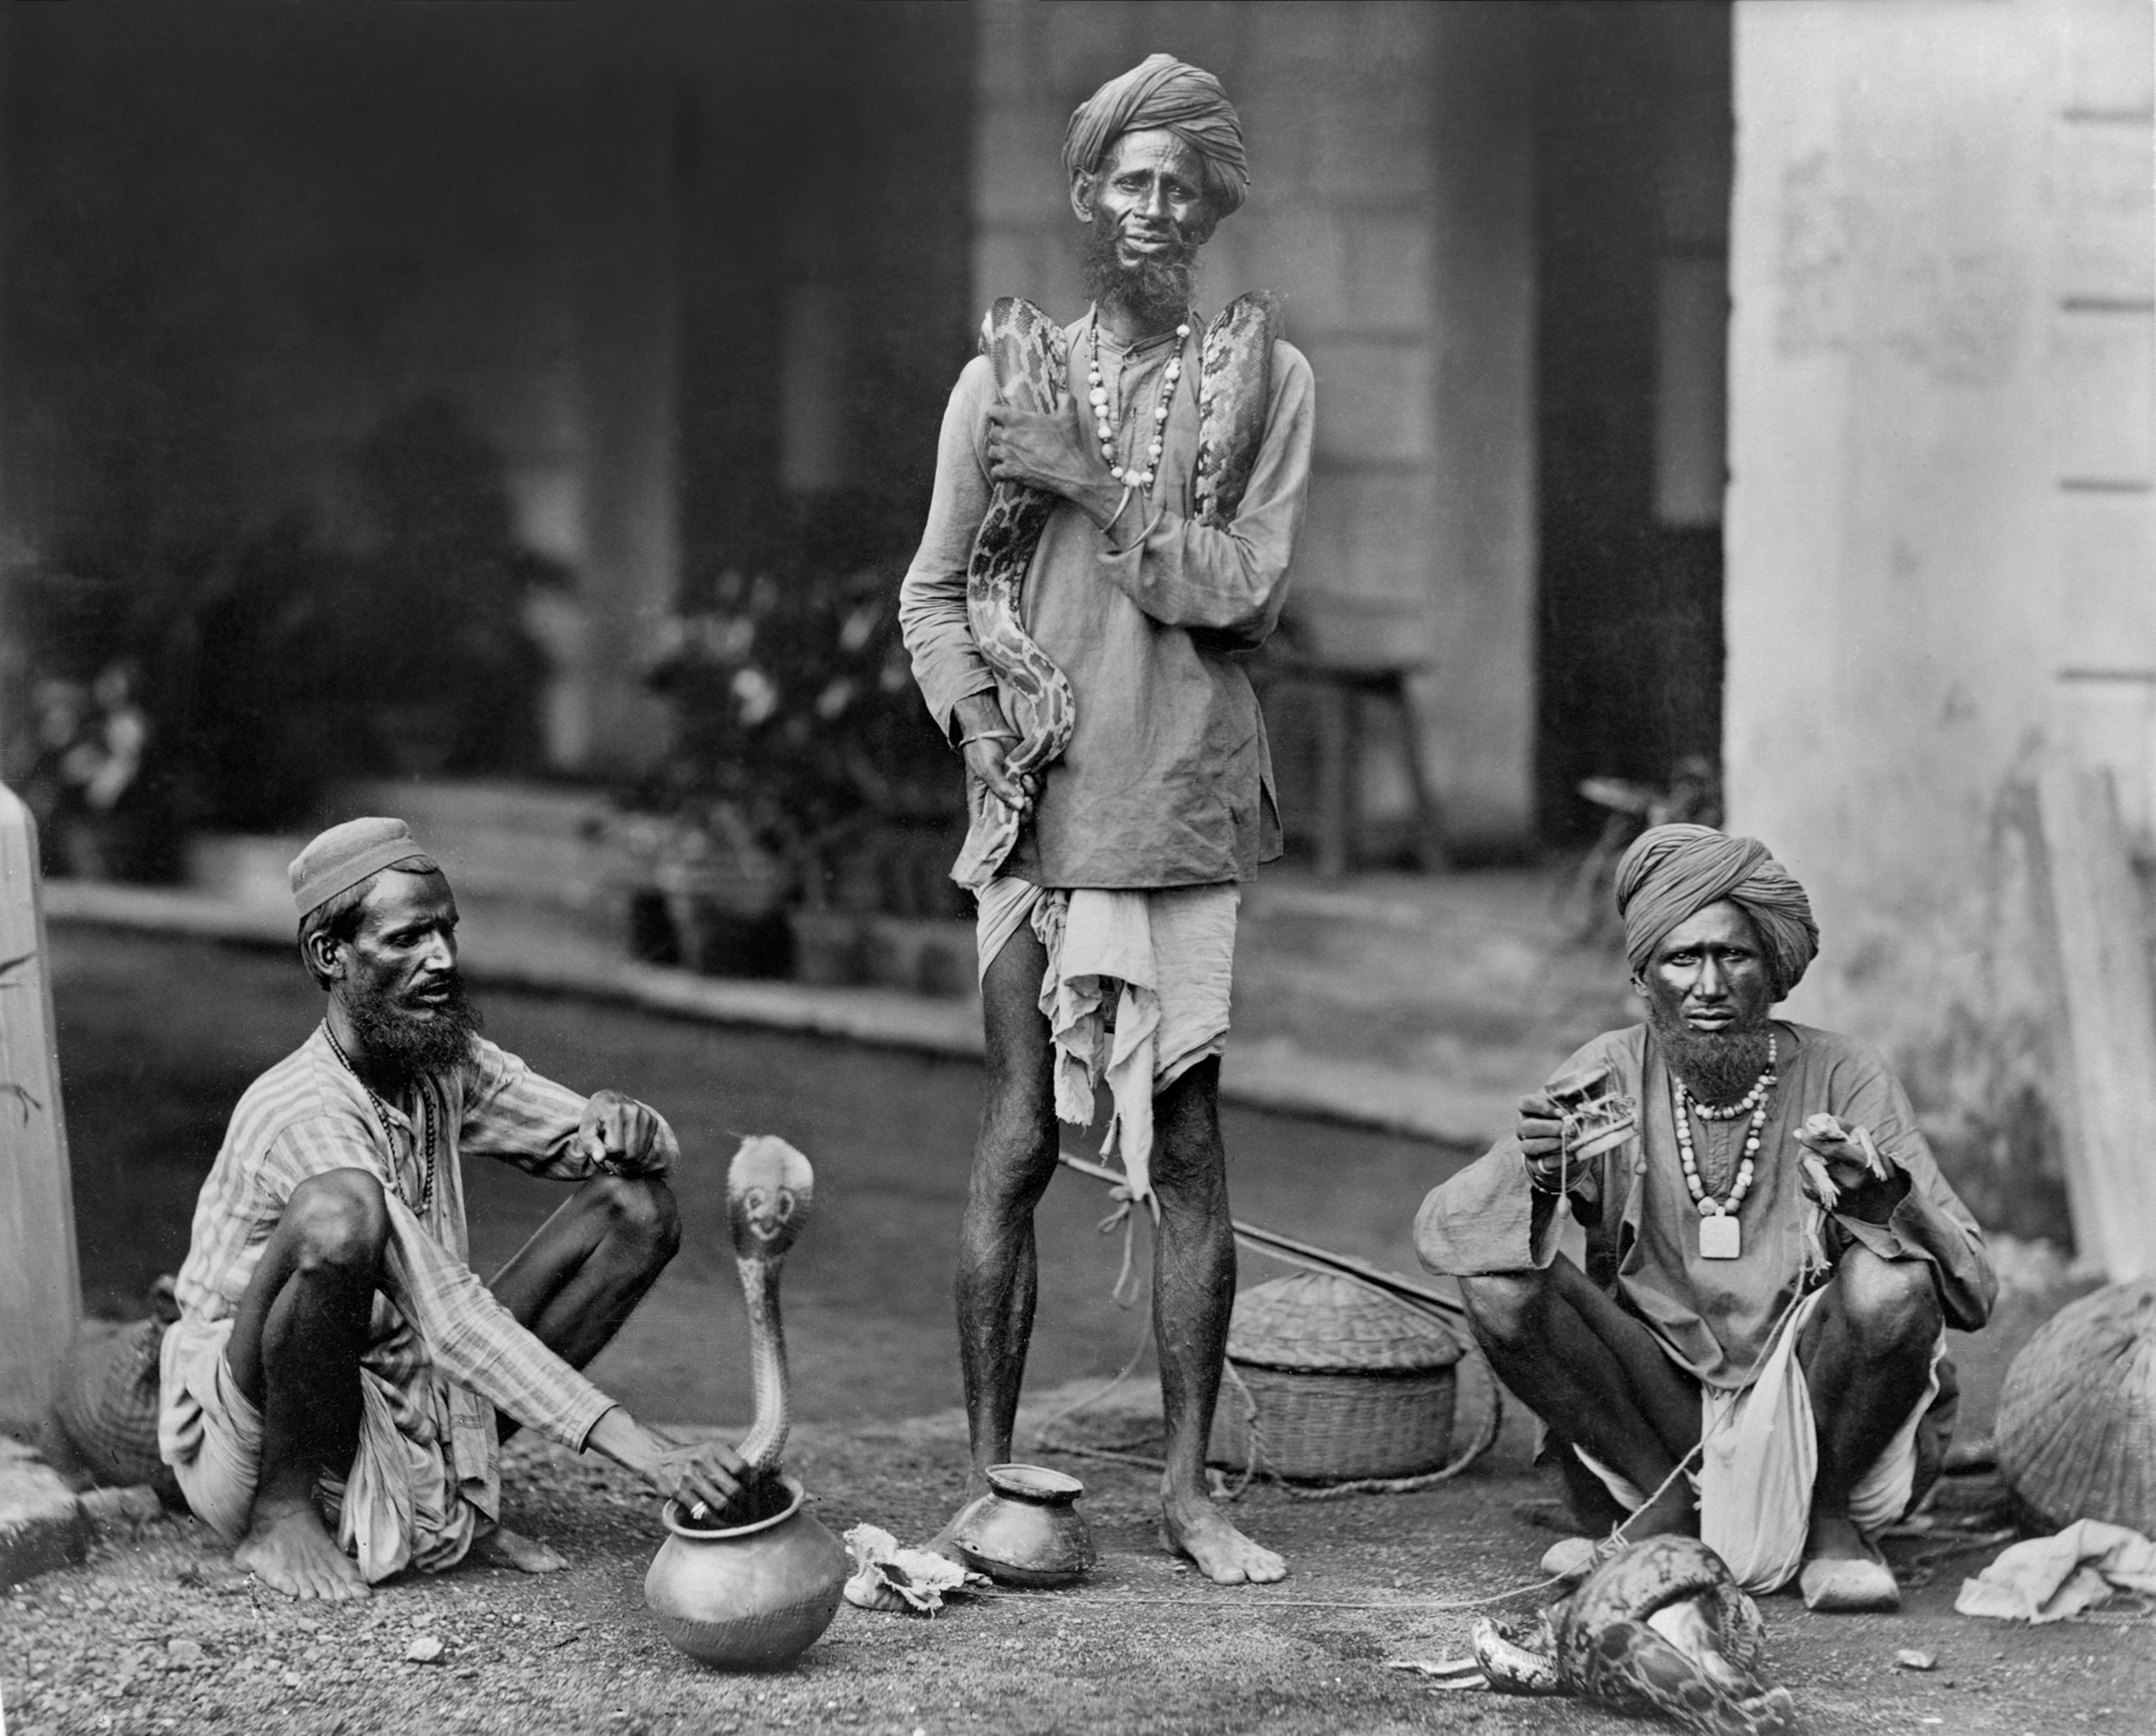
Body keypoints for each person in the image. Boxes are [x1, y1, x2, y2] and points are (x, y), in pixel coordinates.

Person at [898, 53, 1315, 1584]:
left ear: (1212, 206)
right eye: (1125, 181)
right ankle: (991, 1471)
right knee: (1016, 1134)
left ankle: (1193, 1494)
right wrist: (977, 714)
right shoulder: (998, 383)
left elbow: (1241, 589)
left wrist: (1089, 481)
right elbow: (933, 594)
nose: (1152, 206)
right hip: (1035, 804)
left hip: (1186, 792)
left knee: (1189, 1144)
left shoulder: (1269, 381)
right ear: (1088, 199)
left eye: (1178, 183)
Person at [159, 817, 749, 1601]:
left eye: (446, 932)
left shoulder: (439, 1058)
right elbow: (448, 1314)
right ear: (329, 955)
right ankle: (283, 1514)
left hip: (388, 1381)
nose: (441, 958)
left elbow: (616, 1149)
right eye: (407, 938)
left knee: (636, 1209)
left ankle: (438, 1487)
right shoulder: (301, 1109)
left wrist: (628, 1124)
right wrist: (649, 1453)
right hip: (256, 1427)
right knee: (343, 1211)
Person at [1416, 824, 1995, 1612]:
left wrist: (1876, 1197)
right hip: (1661, 1407)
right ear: (1644, 975)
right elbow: (1447, 1233)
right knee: (1499, 1291)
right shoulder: (1608, 1071)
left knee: (1893, 1288)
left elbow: (1973, 1287)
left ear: (1775, 970)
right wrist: (1539, 1175)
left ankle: (1829, 1520)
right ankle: (1665, 1505)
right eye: (1683, 957)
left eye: (1735, 955)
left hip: (1815, 1404)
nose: (1710, 984)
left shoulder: (1844, 1071)